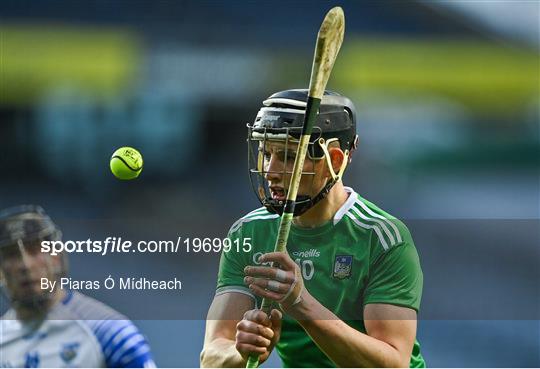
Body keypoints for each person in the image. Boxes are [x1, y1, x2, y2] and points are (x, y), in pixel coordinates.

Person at [201, 89, 425, 367]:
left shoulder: (382, 237)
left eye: (288, 157)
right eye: (266, 153)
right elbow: (210, 356)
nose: (270, 170)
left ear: (336, 160)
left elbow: (394, 363)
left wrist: (300, 304)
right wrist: (239, 353)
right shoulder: (249, 233)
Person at [0, 205, 156, 368]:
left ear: (56, 257)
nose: (25, 265)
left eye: (35, 250)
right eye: (11, 255)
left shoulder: (110, 333)